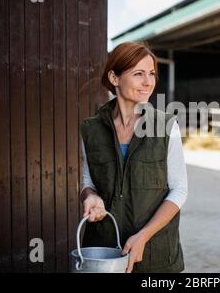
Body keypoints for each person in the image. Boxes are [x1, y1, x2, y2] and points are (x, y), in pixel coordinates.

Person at [79, 41, 188, 273]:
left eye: (151, 74)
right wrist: (90, 197)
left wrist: (143, 236)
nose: (148, 82)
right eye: (138, 74)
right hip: (103, 251)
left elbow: (179, 189)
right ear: (115, 78)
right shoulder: (90, 130)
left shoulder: (167, 126)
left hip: (156, 256)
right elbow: (88, 182)